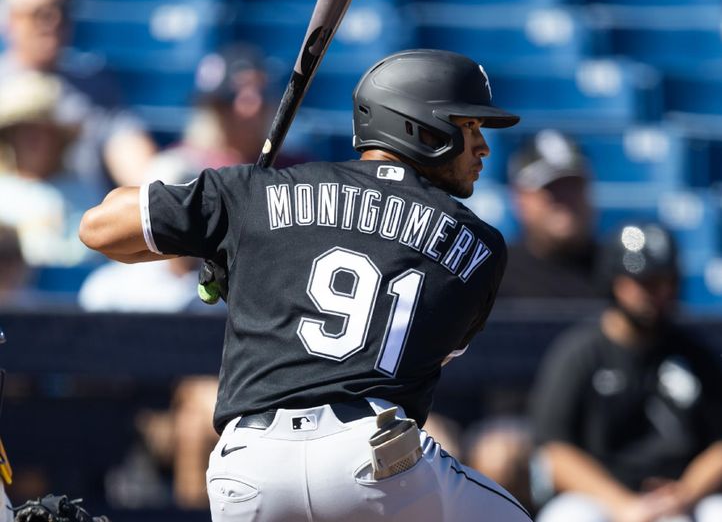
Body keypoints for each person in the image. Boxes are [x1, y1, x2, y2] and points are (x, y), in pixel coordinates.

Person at [79, 49, 534, 521]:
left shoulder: (257, 191)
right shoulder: (477, 242)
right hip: (374, 461)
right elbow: (422, 351)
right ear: (420, 128)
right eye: (469, 127)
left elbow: (99, 228)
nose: (482, 147)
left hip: (247, 465)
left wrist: (222, 235)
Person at [530, 222, 722, 522]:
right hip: (600, 498)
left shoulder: (695, 354)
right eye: (644, 281)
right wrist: (623, 504)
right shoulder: (580, 352)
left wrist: (685, 493)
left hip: (679, 499)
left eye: (665, 281)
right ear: (615, 281)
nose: (657, 293)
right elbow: (555, 452)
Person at [0, 0, 156, 191]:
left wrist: (157, 185)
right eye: (39, 13)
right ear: (11, 20)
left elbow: (133, 159)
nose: (52, 22)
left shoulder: (94, 86)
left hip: (80, 216)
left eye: (61, 10)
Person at [146, 43, 291, 183]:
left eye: (262, 94)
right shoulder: (177, 169)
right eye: (232, 96)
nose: (254, 106)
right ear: (212, 107)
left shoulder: (290, 170)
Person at [0, 70, 101, 266]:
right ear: (11, 137)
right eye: (25, 131)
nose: (33, 141)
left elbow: (89, 251)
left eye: (42, 133)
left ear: (56, 139)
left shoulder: (81, 192)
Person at [497, 130, 598, 300]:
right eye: (551, 188)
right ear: (520, 198)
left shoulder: (617, 275)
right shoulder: (495, 274)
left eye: (572, 185)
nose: (565, 198)